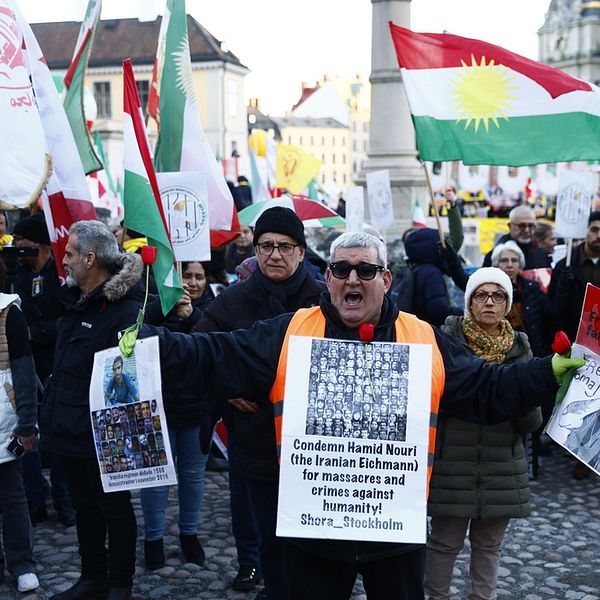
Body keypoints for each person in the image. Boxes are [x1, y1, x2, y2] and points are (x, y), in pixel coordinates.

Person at [152, 231, 578, 600]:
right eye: (340, 270)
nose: (352, 279)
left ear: (386, 280)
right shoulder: (291, 330)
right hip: (314, 535)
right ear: (329, 278)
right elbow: (215, 354)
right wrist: (156, 345)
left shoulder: (424, 338)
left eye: (365, 271)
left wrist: (545, 372)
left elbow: (486, 388)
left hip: (395, 533)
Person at [193, 206, 325, 599]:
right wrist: (225, 387)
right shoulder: (233, 300)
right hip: (255, 441)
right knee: (269, 536)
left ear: (301, 252)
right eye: (265, 245)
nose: (274, 255)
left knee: (312, 537)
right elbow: (201, 351)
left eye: (285, 246)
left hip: (315, 446)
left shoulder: (325, 297)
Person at [424, 267, 543, 600]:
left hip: (501, 467)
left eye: (498, 295)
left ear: (507, 304)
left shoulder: (520, 348)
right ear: (469, 302)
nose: (489, 302)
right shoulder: (445, 344)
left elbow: (532, 425)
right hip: (453, 466)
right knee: (444, 543)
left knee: (489, 546)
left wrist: (524, 397)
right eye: (481, 294)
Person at [41, 221, 144, 600]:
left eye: (69, 254)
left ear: (89, 258)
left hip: (106, 436)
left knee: (114, 509)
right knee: (85, 507)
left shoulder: (124, 309)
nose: (63, 261)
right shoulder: (74, 301)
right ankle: (92, 578)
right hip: (71, 429)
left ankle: (119, 584)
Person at [140, 261, 213, 570]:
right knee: (156, 477)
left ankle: (189, 534)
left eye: (199, 276)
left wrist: (193, 317)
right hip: (160, 406)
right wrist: (164, 309)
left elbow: (216, 345)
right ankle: (153, 539)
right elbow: (138, 336)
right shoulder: (152, 306)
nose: (193, 283)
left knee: (193, 475)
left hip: (198, 410)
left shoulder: (212, 309)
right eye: (187, 275)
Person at [11, 212, 74, 527]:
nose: (20, 253)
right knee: (29, 433)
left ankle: (65, 502)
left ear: (43, 247)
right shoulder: (18, 276)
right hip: (25, 366)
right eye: (16, 246)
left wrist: (36, 333)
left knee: (57, 434)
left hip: (57, 363)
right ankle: (34, 501)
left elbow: (69, 317)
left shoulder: (62, 274)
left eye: (25, 247)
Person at [548, 211, 600, 479]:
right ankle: (568, 444)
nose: (598, 235)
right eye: (594, 229)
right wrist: (565, 287)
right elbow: (553, 309)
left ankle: (586, 456)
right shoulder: (567, 264)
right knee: (573, 398)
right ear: (585, 231)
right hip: (574, 342)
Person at [0, 257, 39, 593]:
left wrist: (27, 423)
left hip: (4, 422)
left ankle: (22, 562)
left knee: (12, 495)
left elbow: (25, 374)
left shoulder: (9, 312)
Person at [403, 227, 466, 326]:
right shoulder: (432, 274)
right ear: (432, 248)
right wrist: (461, 313)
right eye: (440, 244)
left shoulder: (414, 269)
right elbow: (438, 310)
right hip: (429, 332)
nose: (443, 247)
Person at [482, 205, 551, 269]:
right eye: (522, 226)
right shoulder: (498, 251)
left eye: (530, 226)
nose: (527, 230)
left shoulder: (540, 249)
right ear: (510, 226)